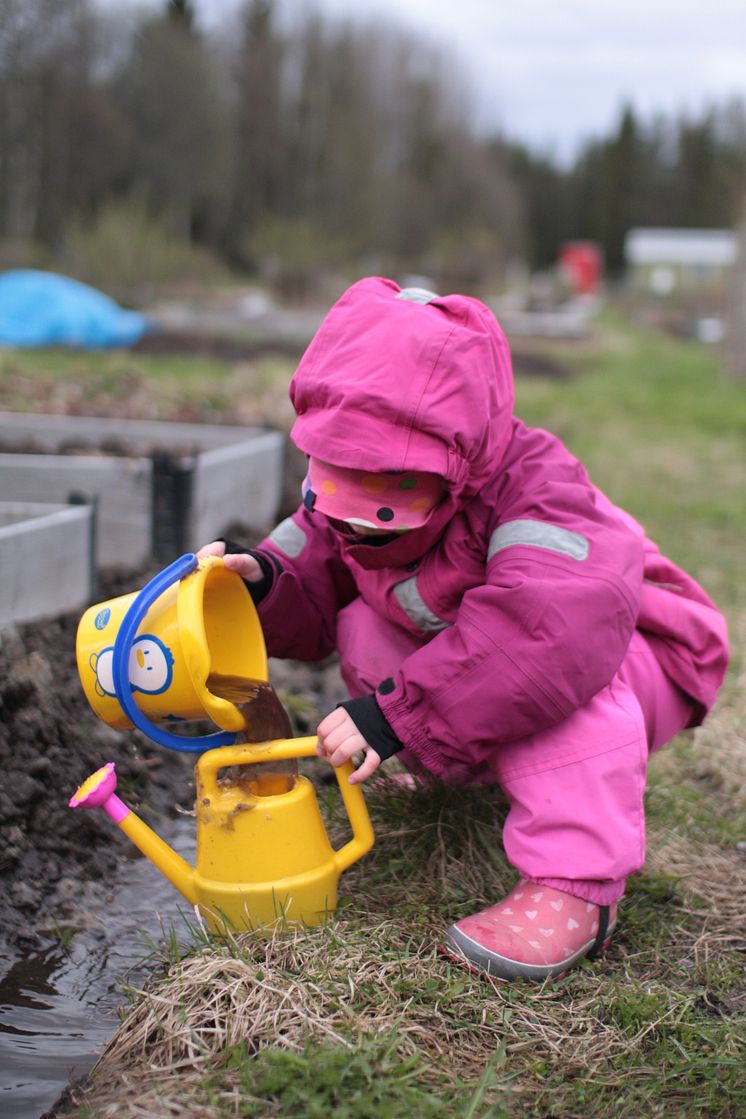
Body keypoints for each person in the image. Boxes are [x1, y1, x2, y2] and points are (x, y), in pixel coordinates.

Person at [198, 277, 728, 981]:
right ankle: (472, 770)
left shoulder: (536, 488)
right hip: (510, 654)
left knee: (552, 686)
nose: (357, 513)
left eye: (387, 485)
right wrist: (262, 582)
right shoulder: (354, 506)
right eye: (343, 478)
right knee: (365, 623)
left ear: (458, 460)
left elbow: (544, 636)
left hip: (639, 656)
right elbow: (317, 559)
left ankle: (577, 887)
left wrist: (397, 715)